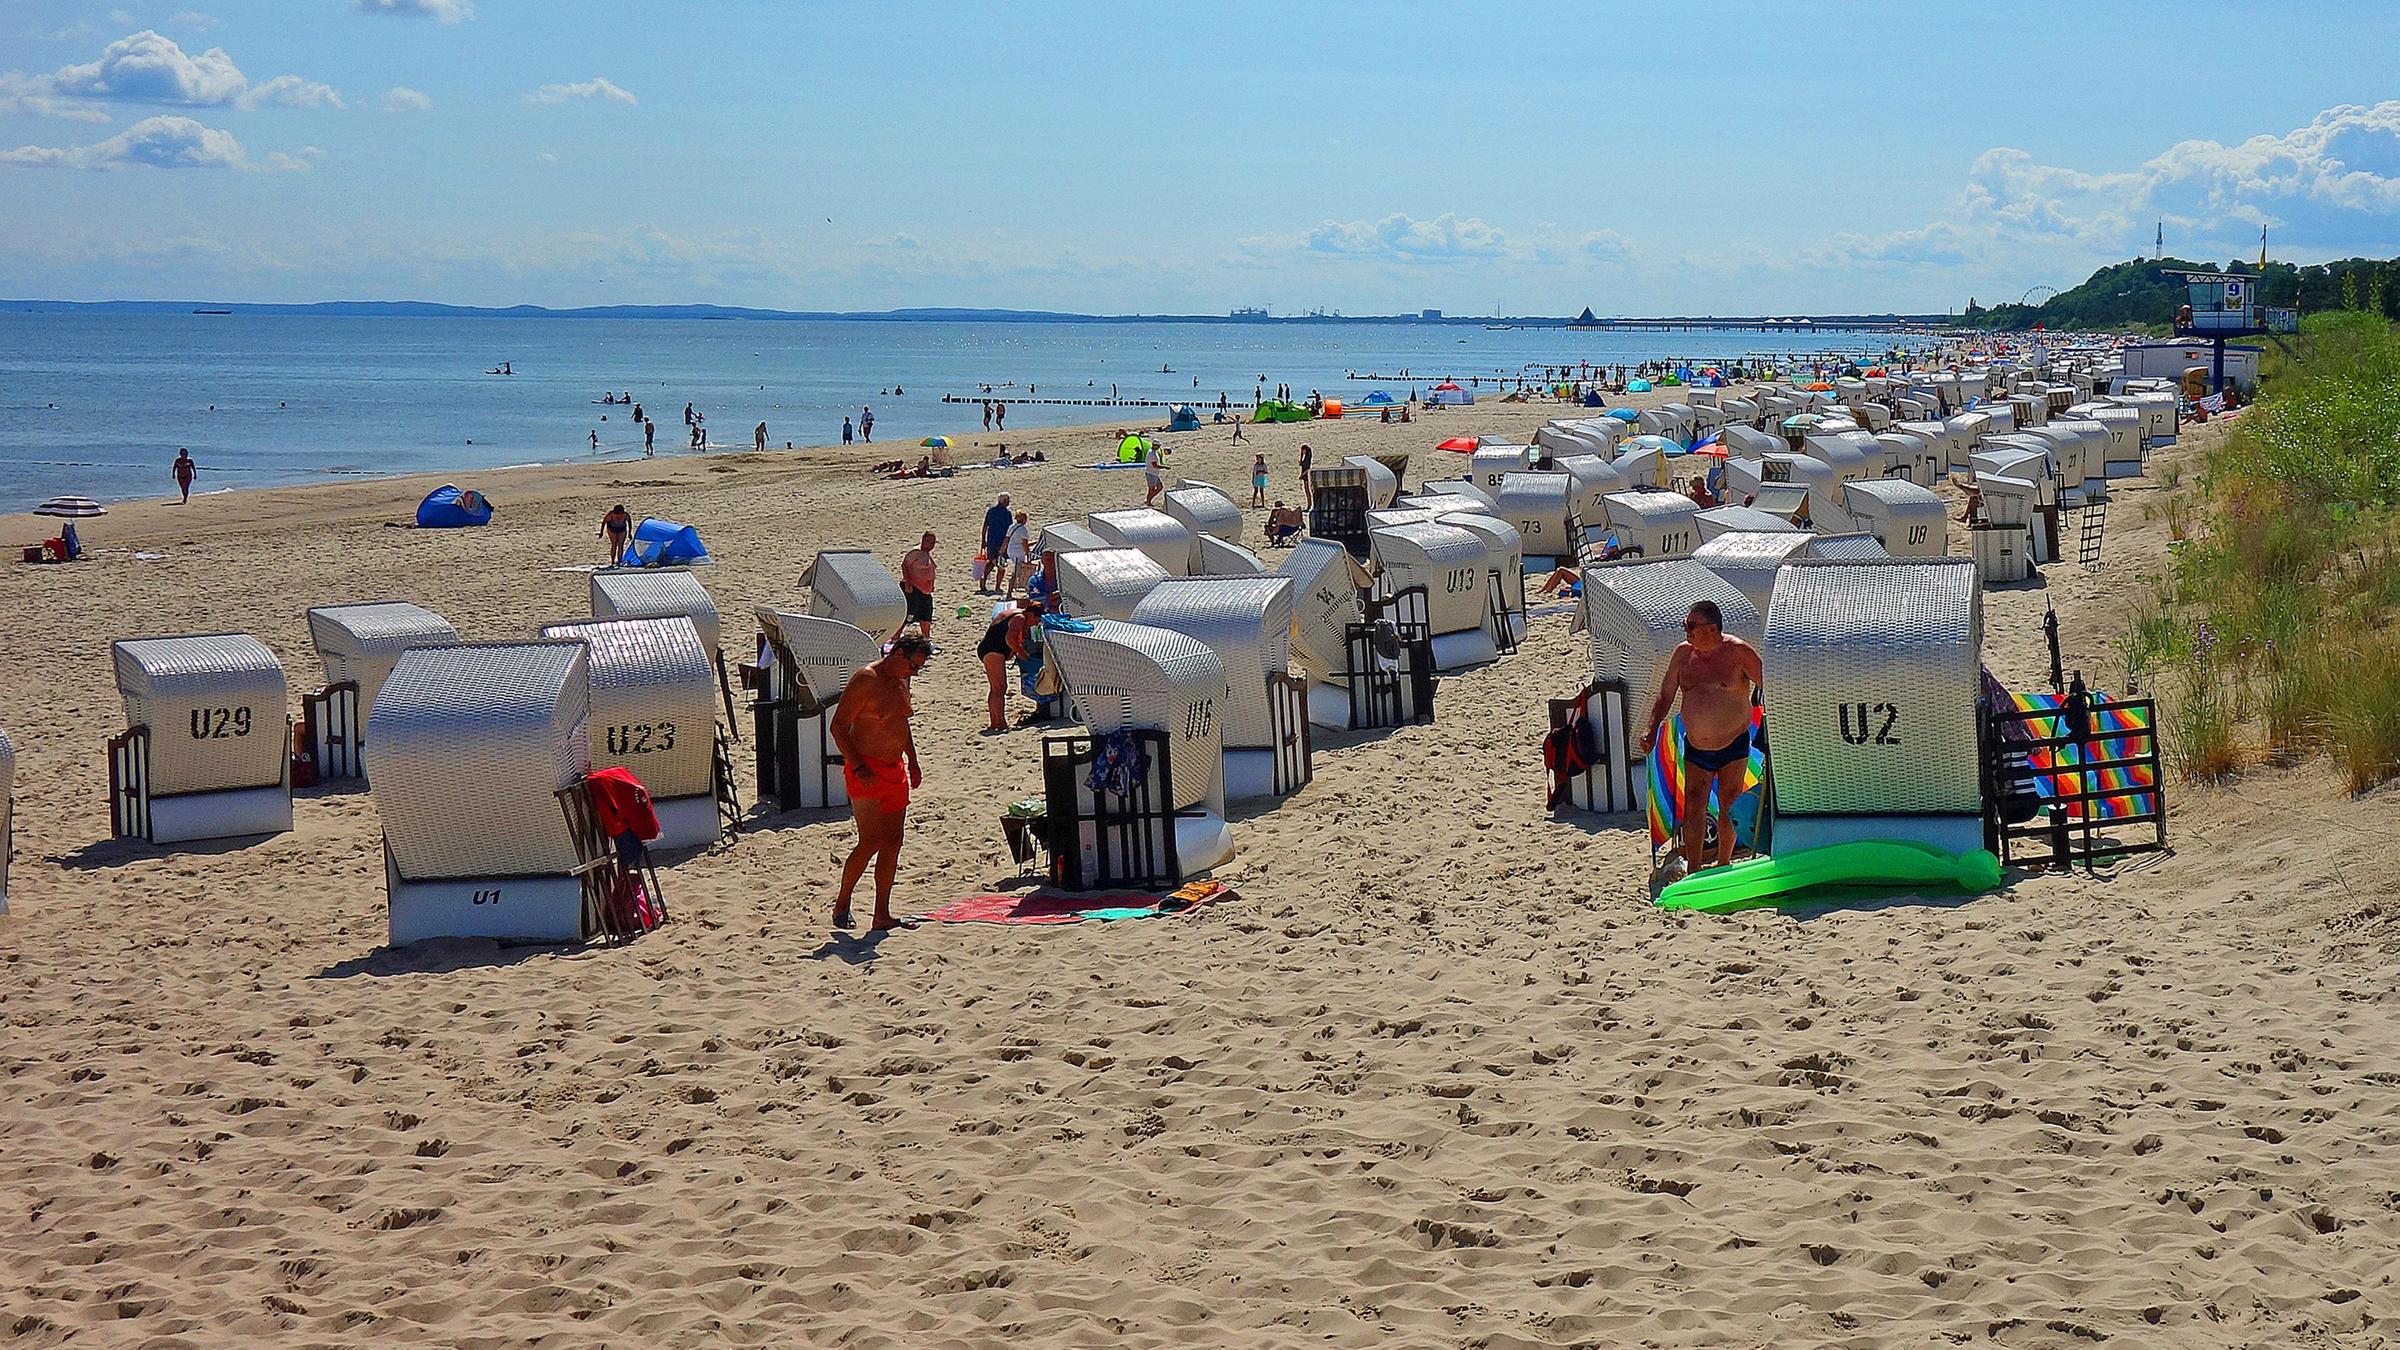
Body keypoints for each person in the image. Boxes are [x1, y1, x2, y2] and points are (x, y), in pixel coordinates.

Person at [1639, 600, 1765, 877]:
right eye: (1686, 625)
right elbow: (1665, 694)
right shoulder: (1683, 655)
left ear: (1711, 629)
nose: (1686, 630)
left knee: (1728, 802)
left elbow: (1770, 683)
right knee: (1694, 802)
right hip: (1696, 743)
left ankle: (1723, 864)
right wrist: (1651, 727)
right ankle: (1695, 869)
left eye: (1691, 625)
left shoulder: (1738, 652)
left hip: (1734, 741)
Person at [829, 633, 931, 931]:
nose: (914, 673)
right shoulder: (867, 679)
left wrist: (912, 759)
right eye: (913, 666)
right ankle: (843, 902)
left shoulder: (900, 681)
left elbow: (900, 721)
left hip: (894, 768)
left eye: (918, 669)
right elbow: (838, 726)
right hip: (867, 769)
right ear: (898, 653)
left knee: (893, 841)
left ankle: (881, 914)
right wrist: (858, 765)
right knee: (871, 840)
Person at [977, 599, 1041, 732]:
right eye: (1035, 621)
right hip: (993, 651)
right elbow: (1010, 639)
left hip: (990, 649)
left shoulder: (1014, 613)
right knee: (999, 688)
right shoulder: (1020, 618)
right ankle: (999, 723)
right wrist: (1022, 653)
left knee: (996, 688)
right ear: (1032, 615)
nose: (1033, 625)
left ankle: (996, 722)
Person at [898, 531, 937, 642]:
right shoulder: (915, 551)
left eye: (933, 542)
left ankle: (926, 640)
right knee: (906, 617)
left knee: (926, 618)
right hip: (913, 590)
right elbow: (905, 565)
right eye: (928, 541)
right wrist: (908, 583)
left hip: (926, 593)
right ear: (923, 540)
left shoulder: (928, 554)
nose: (930, 544)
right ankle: (895, 638)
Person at [978, 494, 1013, 595]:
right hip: (1001, 541)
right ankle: (997, 586)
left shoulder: (991, 511)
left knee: (991, 562)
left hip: (991, 541)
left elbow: (985, 526)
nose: (1009, 502)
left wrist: (983, 540)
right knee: (1001, 564)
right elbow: (1009, 529)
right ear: (1004, 501)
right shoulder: (1007, 513)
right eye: (1007, 500)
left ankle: (983, 582)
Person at [1003, 509, 1032, 594]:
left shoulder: (1011, 527)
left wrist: (1002, 551)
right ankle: (1009, 592)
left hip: (1010, 550)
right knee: (1016, 572)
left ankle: (1016, 589)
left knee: (1017, 569)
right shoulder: (1023, 529)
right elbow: (1024, 543)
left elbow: (1006, 539)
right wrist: (1027, 553)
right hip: (1018, 551)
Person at [1144, 440, 1166, 507]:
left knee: (1159, 487)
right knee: (1152, 489)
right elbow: (1154, 465)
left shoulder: (1154, 452)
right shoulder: (1151, 454)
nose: (1159, 447)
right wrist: (1164, 467)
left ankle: (1148, 499)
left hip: (1154, 473)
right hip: (1151, 473)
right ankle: (1148, 501)